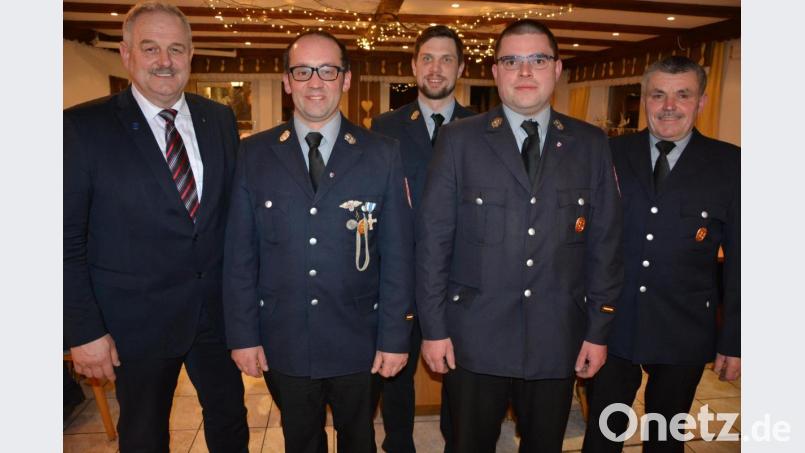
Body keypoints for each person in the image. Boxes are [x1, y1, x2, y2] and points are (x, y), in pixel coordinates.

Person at [416, 19, 623, 453]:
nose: (525, 71)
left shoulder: (589, 144)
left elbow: (605, 245)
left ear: (557, 69)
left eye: (537, 60)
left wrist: (598, 331)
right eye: (512, 60)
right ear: (495, 72)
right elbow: (434, 242)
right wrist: (434, 329)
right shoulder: (459, 141)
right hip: (473, 339)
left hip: (557, 335)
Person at [63, 2, 248, 452]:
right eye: (150, 48)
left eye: (176, 49)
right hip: (135, 325)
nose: (164, 61)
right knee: (144, 435)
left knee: (230, 424)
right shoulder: (80, 128)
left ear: (190, 56)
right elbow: (63, 241)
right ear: (127, 54)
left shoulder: (219, 119)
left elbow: (228, 219)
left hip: (216, 320)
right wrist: (83, 333)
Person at [223, 31, 414, 453]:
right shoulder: (254, 154)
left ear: (346, 79)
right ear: (287, 81)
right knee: (301, 441)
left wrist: (395, 337)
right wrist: (243, 335)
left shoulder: (382, 153)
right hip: (283, 339)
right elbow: (239, 255)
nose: (315, 82)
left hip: (360, 339)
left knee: (358, 440)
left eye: (328, 71)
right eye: (303, 71)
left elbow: (398, 256)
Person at [581, 55, 740, 453]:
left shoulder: (731, 164)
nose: (669, 105)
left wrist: (735, 340)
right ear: (644, 100)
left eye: (682, 95)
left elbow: (744, 261)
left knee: (665, 438)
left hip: (683, 328)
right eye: (658, 95)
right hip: (612, 325)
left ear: (701, 102)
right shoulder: (609, 154)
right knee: (602, 435)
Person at [370, 25, 476, 453]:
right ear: (413, 66)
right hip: (404, 275)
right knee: (396, 372)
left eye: (446, 59)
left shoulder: (482, 127)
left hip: (464, 280)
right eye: (427, 59)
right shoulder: (386, 126)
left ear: (461, 68)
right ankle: (398, 444)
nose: (436, 68)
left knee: (460, 375)